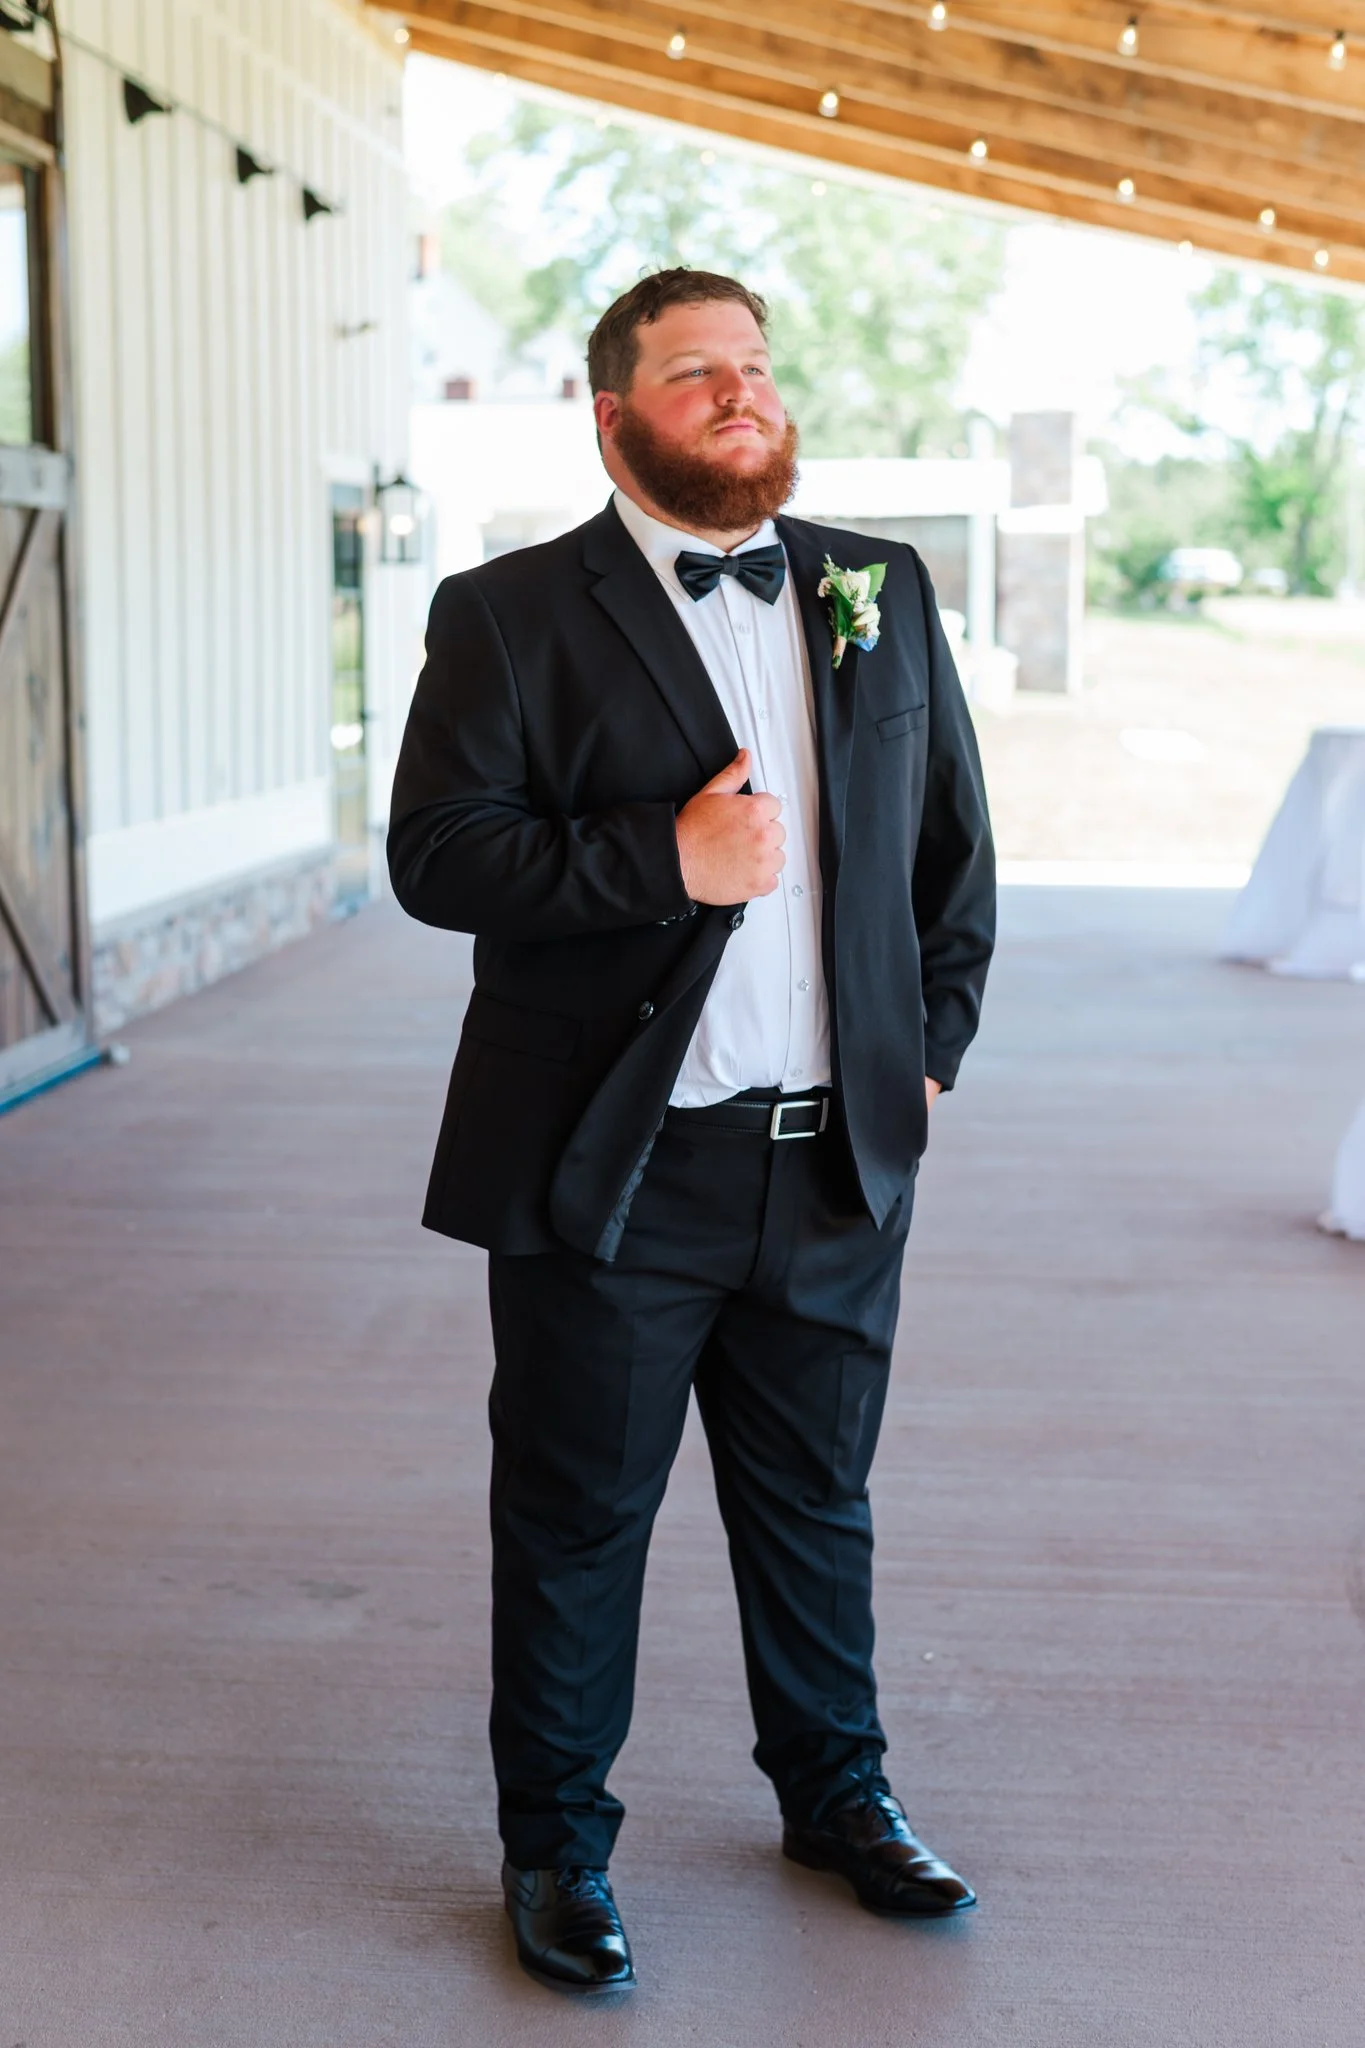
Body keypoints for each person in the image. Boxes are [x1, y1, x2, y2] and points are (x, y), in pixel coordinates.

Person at [388, 268, 995, 1996]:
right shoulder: (506, 613)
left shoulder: (880, 587)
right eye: (693, 373)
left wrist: (926, 1050)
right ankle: (559, 1851)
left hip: (835, 1160)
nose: (740, 394)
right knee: (580, 1514)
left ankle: (839, 1797)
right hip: (613, 1162)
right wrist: (664, 858)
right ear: (613, 416)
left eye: (756, 366)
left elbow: (951, 853)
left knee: (819, 1501)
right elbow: (439, 856)